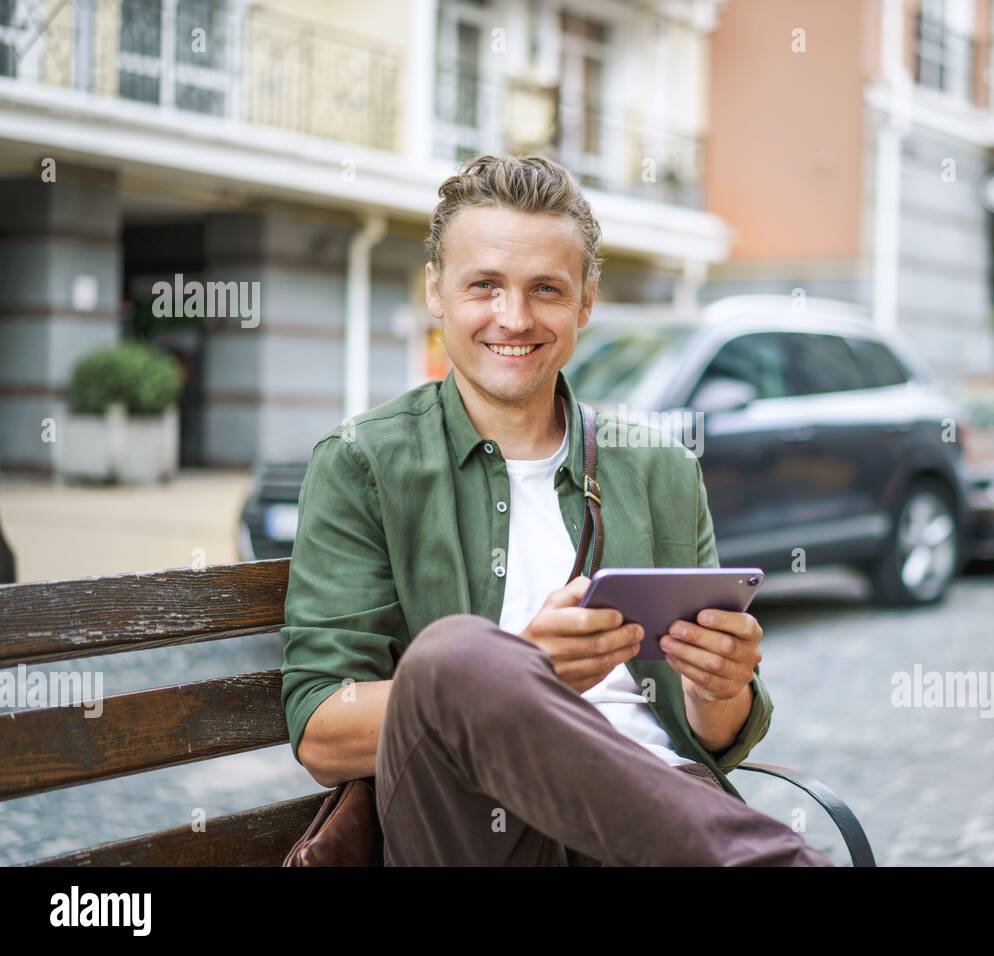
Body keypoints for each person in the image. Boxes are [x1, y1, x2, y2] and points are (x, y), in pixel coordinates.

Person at [279, 154, 832, 867]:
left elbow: (715, 736)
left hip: (662, 824)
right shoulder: (362, 463)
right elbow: (322, 732)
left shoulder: (658, 467)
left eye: (546, 289)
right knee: (455, 658)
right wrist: (512, 678)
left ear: (584, 304)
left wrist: (716, 687)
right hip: (478, 828)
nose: (514, 317)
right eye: (485, 285)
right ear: (436, 291)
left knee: (470, 663)